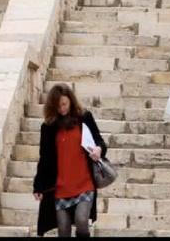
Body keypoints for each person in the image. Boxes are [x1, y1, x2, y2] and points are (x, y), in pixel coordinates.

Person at [33, 84, 106, 238]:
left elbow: (99, 141)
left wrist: (99, 149)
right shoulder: (48, 127)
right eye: (57, 106)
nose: (62, 109)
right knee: (63, 230)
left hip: (84, 183)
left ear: (71, 100)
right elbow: (44, 158)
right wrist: (38, 186)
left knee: (81, 220)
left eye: (64, 104)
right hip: (60, 187)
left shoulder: (84, 118)